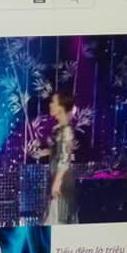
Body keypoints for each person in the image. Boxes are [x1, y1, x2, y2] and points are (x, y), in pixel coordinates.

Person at [44, 91, 76, 225]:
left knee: (59, 219)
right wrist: (44, 152)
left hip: (62, 180)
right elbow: (58, 152)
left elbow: (65, 158)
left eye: (53, 102)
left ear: (61, 107)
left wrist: (57, 181)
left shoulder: (66, 130)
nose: (50, 105)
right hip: (56, 177)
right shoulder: (58, 129)